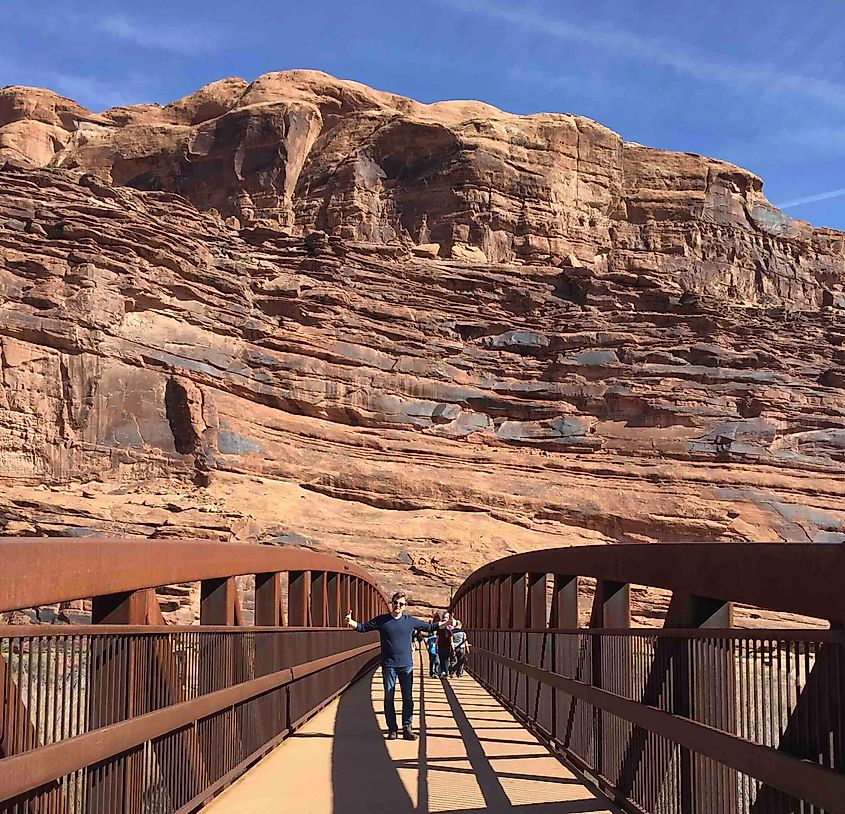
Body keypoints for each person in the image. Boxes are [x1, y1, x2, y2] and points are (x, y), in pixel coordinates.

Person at [346, 592, 442, 740]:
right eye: (395, 602)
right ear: (392, 603)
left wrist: (446, 624)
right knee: (389, 697)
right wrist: (352, 622)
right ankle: (392, 729)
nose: (397, 606)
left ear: (405, 606)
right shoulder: (382, 620)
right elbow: (363, 627)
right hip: (389, 665)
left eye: (401, 604)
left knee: (407, 698)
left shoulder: (410, 621)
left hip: (406, 666)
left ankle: (407, 728)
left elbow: (430, 627)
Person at [435, 611, 455, 679]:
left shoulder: (439, 631)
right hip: (447, 648)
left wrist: (435, 647)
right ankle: (446, 673)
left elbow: (437, 640)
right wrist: (453, 649)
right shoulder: (449, 632)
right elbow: (451, 641)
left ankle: (443, 672)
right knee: (447, 660)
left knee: (442, 660)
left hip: (440, 647)